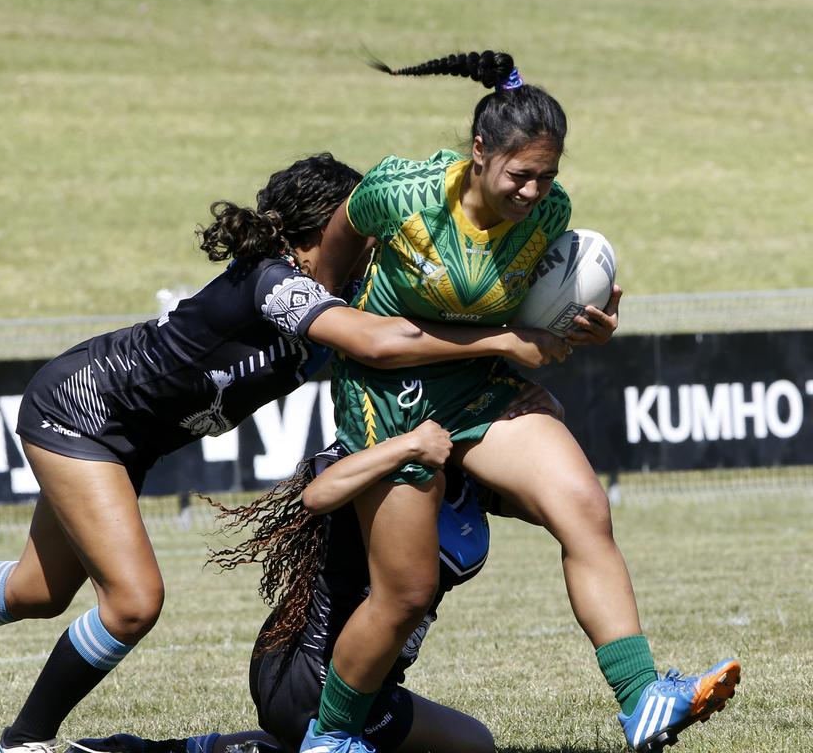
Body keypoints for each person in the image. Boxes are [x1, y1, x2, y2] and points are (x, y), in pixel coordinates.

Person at [0, 153, 575, 752]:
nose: (374, 242)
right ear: (322, 229)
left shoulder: (341, 286)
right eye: (360, 228)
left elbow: (418, 337)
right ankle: (25, 741)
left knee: (39, 590)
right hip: (82, 410)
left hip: (129, 439)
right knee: (133, 603)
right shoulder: (275, 283)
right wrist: (510, 341)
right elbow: (383, 345)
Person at [295, 50, 739, 753]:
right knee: (404, 596)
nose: (535, 191)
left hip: (479, 390)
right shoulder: (400, 192)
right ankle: (332, 736)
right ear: (478, 152)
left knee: (585, 508)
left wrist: (582, 327)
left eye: (548, 175)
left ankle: (641, 695)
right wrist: (326, 320)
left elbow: (541, 317)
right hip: (387, 398)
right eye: (520, 174)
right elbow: (333, 251)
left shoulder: (550, 216)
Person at [65, 383, 570, 753]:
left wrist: (543, 413)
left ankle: (164, 751)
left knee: (475, 743)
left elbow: (549, 502)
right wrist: (410, 445)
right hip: (312, 671)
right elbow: (318, 492)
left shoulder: (468, 478)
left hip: (362, 680)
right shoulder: (377, 457)